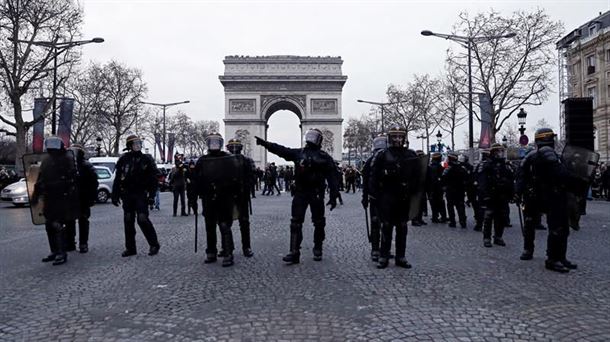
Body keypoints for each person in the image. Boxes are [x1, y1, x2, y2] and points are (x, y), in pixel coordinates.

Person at [256, 128, 339, 264]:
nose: (311, 139)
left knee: (318, 222)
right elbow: (281, 150)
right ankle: (294, 252)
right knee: (295, 222)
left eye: (313, 136)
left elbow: (333, 177)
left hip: (316, 193)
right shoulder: (299, 153)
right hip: (301, 192)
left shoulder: (324, 157)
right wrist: (266, 144)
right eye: (310, 136)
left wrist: (334, 195)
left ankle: (318, 247)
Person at [515, 128, 579, 272]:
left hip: (537, 195)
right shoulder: (548, 154)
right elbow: (561, 174)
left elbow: (520, 176)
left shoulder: (534, 156)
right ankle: (553, 258)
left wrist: (518, 193)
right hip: (549, 195)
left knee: (536, 224)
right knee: (556, 227)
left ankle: (535, 251)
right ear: (547, 139)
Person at [370, 126, 419, 269]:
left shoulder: (411, 154)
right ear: (390, 138)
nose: (398, 139)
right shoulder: (382, 155)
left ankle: (400, 256)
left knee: (402, 227)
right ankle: (384, 256)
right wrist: (374, 195)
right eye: (395, 136)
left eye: (400, 136)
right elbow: (373, 176)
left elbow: (417, 176)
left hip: (403, 196)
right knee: (386, 226)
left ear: (404, 138)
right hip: (387, 195)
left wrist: (415, 194)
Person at [31, 136, 80, 266]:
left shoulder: (66, 159)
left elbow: (72, 178)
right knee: (49, 225)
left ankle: (61, 252)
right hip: (49, 197)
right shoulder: (46, 161)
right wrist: (36, 194)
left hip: (62, 197)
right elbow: (41, 178)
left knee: (58, 225)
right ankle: (54, 251)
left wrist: (65, 188)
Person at [194, 133, 239, 267]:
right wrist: (193, 197)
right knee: (210, 226)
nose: (214, 144)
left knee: (224, 225)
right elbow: (196, 180)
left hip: (224, 197)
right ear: (208, 144)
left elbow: (235, 177)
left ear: (220, 143)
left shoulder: (228, 158)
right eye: (211, 142)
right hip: (208, 197)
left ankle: (228, 252)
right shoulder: (202, 160)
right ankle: (211, 251)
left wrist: (234, 193)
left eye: (216, 142)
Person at [112, 135, 161, 257]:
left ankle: (154, 244)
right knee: (128, 220)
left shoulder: (146, 159)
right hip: (127, 194)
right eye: (135, 144)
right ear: (130, 146)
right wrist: (115, 194)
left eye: (139, 143)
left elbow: (153, 179)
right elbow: (118, 178)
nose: (138, 146)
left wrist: (152, 195)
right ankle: (130, 248)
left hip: (141, 193)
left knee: (142, 219)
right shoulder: (123, 159)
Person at [478, 143, 513, 248]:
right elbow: (482, 181)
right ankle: (487, 238)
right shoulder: (487, 164)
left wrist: (512, 193)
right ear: (493, 152)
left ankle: (498, 237)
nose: (500, 153)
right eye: (498, 151)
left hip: (502, 195)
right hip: (491, 194)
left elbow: (511, 180)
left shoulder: (505, 165)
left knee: (501, 217)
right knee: (489, 217)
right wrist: (485, 194)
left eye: (501, 151)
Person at [65, 144, 98, 253]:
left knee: (82, 221)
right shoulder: (68, 166)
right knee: (70, 221)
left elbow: (94, 183)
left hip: (83, 197)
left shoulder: (86, 166)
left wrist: (92, 198)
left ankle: (83, 243)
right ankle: (71, 242)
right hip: (72, 197)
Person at [226, 138, 255, 258]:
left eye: (236, 147)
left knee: (244, 222)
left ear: (240, 148)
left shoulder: (247, 161)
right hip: (227, 195)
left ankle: (246, 247)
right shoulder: (223, 161)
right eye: (232, 147)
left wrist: (246, 187)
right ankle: (227, 246)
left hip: (241, 194)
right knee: (225, 222)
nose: (234, 149)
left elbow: (252, 177)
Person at [361, 134, 387, 262]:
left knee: (376, 223)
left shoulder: (369, 161)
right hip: (382, 197)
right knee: (383, 223)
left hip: (376, 196)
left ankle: (376, 249)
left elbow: (365, 182)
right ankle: (379, 249)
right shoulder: (388, 158)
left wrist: (364, 197)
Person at [442, 152, 468, 228]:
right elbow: (466, 178)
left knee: (450, 207)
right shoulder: (462, 168)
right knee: (460, 206)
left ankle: (452, 222)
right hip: (460, 190)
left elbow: (443, 178)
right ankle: (463, 222)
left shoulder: (447, 168)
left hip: (450, 190)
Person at [427, 152, 447, 223]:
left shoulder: (431, 166)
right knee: (439, 202)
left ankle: (435, 216)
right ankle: (441, 217)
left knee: (434, 203)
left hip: (432, 188)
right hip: (436, 188)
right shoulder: (437, 167)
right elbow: (437, 178)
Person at [411, 150, 428, 227]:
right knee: (415, 205)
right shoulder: (413, 166)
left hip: (422, 188)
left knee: (421, 205)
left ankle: (420, 219)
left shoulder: (424, 166)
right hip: (415, 188)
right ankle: (414, 220)